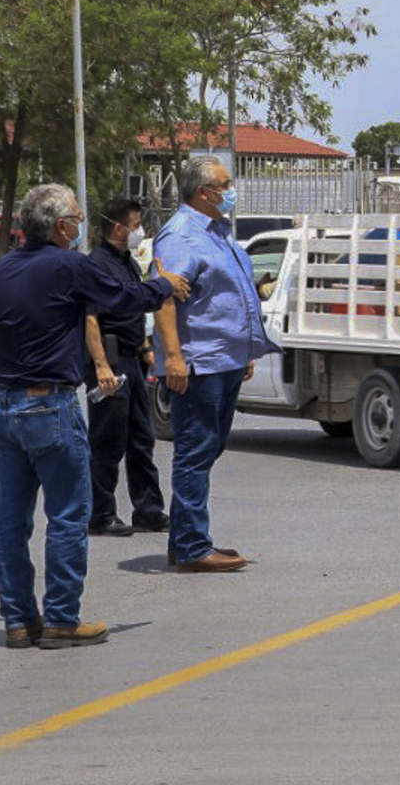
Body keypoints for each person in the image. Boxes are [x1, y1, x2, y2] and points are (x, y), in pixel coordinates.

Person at [0, 184, 187, 649]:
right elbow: (123, 297)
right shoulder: (68, 265)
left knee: (12, 523)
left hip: (6, 406)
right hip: (49, 405)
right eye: (76, 217)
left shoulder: (6, 265)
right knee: (68, 517)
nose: (80, 225)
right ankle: (60, 617)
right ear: (60, 226)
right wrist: (165, 286)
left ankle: (18, 619)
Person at [152, 155, 275, 573]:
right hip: (198, 363)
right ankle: (191, 546)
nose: (231, 191)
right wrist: (172, 356)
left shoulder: (219, 232)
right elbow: (164, 297)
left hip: (224, 360)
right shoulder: (182, 235)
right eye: (226, 184)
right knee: (195, 449)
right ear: (203, 192)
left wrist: (244, 353)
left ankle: (183, 539)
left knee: (207, 448)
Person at [82, 197, 168, 537]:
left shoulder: (127, 262)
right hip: (110, 360)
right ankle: (100, 515)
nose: (139, 231)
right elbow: (90, 317)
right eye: (135, 225)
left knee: (141, 438)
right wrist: (101, 365)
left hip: (132, 357)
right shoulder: (97, 264)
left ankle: (148, 510)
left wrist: (146, 348)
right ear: (118, 228)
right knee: (107, 439)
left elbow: (134, 309)